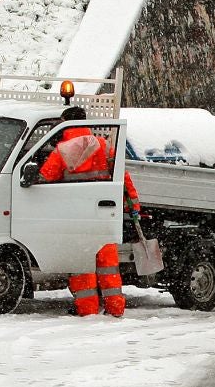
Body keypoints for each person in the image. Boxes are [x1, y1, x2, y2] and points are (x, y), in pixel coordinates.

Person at [39, 106, 144, 317]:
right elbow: (123, 179)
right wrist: (133, 206)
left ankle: (87, 310)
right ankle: (115, 308)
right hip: (104, 214)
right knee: (108, 266)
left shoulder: (61, 151)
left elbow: (44, 178)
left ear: (65, 123)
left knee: (82, 264)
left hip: (77, 216)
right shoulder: (104, 147)